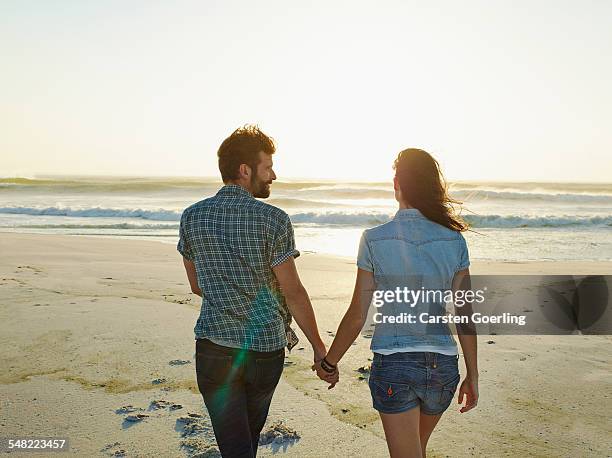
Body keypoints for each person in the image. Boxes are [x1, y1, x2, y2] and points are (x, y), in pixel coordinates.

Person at [313, 148, 479, 457]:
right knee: (416, 450)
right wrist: (473, 375)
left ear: (396, 184)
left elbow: (357, 314)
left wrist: (329, 362)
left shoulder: (375, 239)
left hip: (396, 364)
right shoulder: (454, 240)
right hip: (443, 366)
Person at [178, 125, 328, 457]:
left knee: (236, 446)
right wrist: (319, 348)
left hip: (214, 349)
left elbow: (196, 284)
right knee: (245, 442)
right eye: (268, 166)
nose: (273, 174)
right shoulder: (274, 219)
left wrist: (227, 294)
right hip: (263, 351)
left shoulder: (191, 217)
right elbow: (294, 292)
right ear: (245, 170)